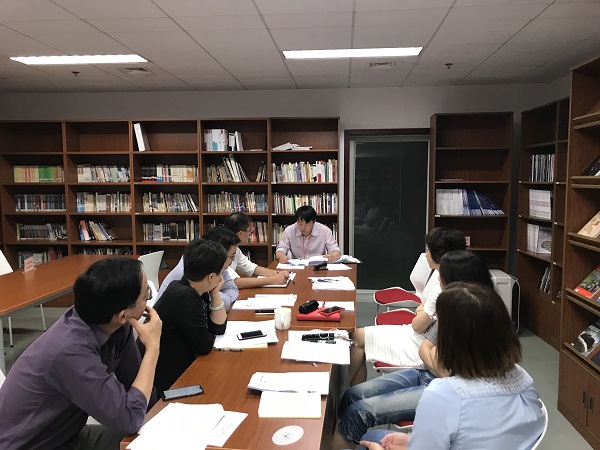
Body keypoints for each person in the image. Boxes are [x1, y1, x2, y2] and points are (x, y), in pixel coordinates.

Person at [359, 282, 545, 450]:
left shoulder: (443, 394)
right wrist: (412, 442)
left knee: (371, 439)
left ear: (450, 340)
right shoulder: (523, 379)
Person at [335, 251, 493, 447]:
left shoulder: (479, 317)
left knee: (359, 412)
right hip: (425, 372)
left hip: (445, 390)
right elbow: (426, 350)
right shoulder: (451, 307)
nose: (438, 281)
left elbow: (445, 371)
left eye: (441, 277)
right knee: (352, 395)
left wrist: (432, 356)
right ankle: (342, 438)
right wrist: (433, 357)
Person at [0, 258, 162, 450]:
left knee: (158, 439)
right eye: (146, 295)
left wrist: (160, 416)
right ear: (122, 315)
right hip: (32, 445)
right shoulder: (70, 351)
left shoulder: (114, 324)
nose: (148, 300)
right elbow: (129, 419)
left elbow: (135, 384)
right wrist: (152, 347)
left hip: (65, 435)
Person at [348, 227, 466, 386]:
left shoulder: (442, 284)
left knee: (356, 337)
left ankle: (345, 392)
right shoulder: (453, 275)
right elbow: (424, 307)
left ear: (437, 253)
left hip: (420, 344)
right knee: (357, 336)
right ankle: (349, 392)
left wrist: (422, 311)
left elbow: (417, 325)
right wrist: (422, 310)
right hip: (425, 338)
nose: (426, 254)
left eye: (427, 249)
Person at [144, 238, 227, 393]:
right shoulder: (184, 297)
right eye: (220, 273)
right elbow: (204, 346)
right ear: (211, 277)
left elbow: (218, 328)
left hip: (176, 367)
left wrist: (215, 293)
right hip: (164, 381)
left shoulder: (193, 288)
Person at [155, 227, 240, 311]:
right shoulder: (193, 270)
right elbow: (222, 304)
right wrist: (217, 295)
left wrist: (218, 296)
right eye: (231, 257)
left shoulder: (215, 264)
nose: (232, 261)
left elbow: (232, 289)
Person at [224, 212, 290, 288]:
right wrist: (272, 280)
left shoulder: (235, 248)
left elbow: (251, 268)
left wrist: (277, 273)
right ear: (240, 233)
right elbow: (234, 282)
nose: (250, 234)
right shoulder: (221, 250)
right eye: (249, 231)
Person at [275, 205, 341, 263]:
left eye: (307, 224)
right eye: (300, 223)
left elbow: (336, 250)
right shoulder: (289, 231)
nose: (303, 228)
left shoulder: (324, 231)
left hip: (318, 267)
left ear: (314, 222)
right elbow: (280, 249)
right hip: (297, 267)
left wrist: (333, 256)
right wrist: (282, 257)